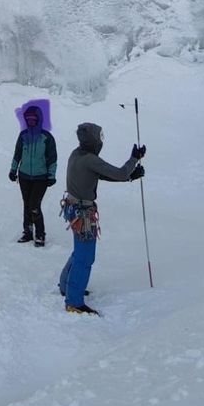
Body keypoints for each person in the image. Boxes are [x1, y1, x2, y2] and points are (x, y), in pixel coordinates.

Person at [58, 123, 145, 315]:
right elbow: (119, 172)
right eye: (100, 138)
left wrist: (129, 177)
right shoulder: (90, 159)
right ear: (94, 141)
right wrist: (134, 160)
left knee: (79, 251)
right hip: (83, 213)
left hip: (73, 208)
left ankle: (66, 285)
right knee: (86, 256)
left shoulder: (77, 154)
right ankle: (73, 301)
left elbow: (99, 175)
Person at [8, 103, 58, 247]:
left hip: (41, 177)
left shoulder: (46, 137)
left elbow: (52, 158)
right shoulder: (23, 136)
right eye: (28, 119)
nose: (30, 121)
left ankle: (40, 235)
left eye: (33, 119)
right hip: (24, 176)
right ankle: (28, 232)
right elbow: (17, 154)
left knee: (34, 205)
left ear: (39, 119)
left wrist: (51, 175)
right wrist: (13, 170)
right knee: (27, 204)